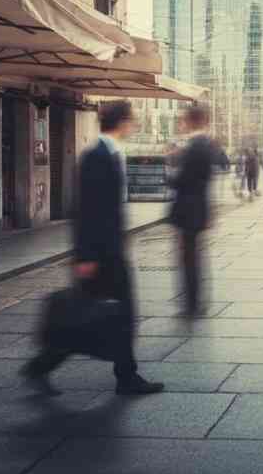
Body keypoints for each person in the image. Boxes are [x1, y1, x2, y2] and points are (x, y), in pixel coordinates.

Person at [21, 100, 163, 395]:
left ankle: (123, 375)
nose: (134, 124)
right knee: (87, 318)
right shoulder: (95, 157)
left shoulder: (112, 153)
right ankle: (44, 367)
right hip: (99, 255)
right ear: (122, 122)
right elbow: (85, 210)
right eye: (132, 119)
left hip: (110, 250)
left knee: (108, 315)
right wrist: (85, 256)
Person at [169, 106, 217, 317]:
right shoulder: (205, 144)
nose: (182, 124)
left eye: (183, 120)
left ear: (191, 121)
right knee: (193, 257)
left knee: (189, 259)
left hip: (188, 210)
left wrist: (170, 172)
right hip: (198, 208)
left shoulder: (194, 146)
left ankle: (192, 306)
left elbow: (183, 180)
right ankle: (195, 303)